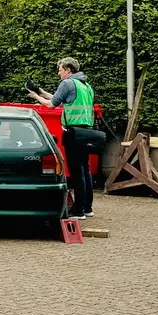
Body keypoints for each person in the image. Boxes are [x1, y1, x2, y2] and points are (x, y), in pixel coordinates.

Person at [31, 57, 102, 219]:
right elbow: (61, 99)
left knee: (76, 172)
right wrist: (41, 92)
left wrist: (36, 98)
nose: (59, 72)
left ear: (68, 70)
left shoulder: (67, 83)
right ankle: (87, 208)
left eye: (60, 69)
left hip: (73, 132)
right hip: (86, 132)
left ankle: (78, 211)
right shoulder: (85, 85)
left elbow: (51, 105)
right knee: (85, 170)